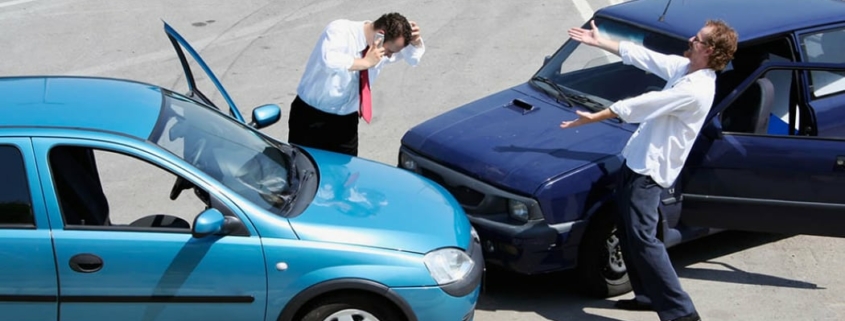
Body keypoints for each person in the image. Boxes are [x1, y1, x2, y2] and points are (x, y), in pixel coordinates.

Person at [560, 19, 738, 321]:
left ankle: (682, 313)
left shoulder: (697, 88)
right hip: (637, 162)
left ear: (708, 50)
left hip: (649, 173)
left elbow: (647, 103)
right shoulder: (686, 70)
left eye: (698, 38)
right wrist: (599, 41)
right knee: (632, 232)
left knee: (643, 239)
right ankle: (646, 296)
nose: (691, 38)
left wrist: (597, 116)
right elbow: (645, 56)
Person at [288, 12, 425, 157]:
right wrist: (365, 62)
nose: (390, 56)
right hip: (311, 118)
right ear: (380, 35)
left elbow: (413, 59)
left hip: (346, 122)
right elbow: (329, 61)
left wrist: (415, 42)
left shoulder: (380, 48)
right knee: (302, 171)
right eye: (390, 51)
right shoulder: (340, 30)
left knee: (347, 174)